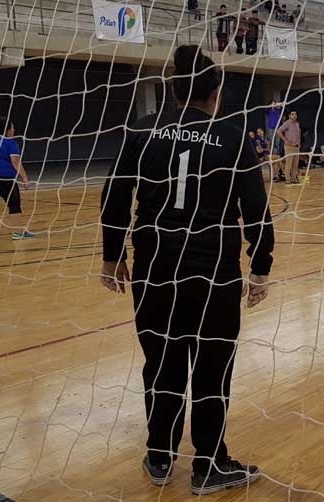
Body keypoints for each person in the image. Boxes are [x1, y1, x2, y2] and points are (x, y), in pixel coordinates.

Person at [100, 45, 273, 495]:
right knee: (213, 371)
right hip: (213, 273)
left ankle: (160, 457)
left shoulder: (141, 130)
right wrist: (260, 267)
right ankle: (209, 465)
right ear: (216, 92)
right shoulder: (233, 137)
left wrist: (110, 254)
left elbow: (115, 195)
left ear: (175, 88)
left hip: (155, 269)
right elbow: (257, 208)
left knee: (161, 366)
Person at [277, 110, 302, 185]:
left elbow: (299, 133)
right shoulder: (287, 123)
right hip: (289, 147)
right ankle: (287, 179)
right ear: (289, 116)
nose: (294, 115)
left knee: (295, 164)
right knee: (289, 164)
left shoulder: (297, 124)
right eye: (292, 114)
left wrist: (299, 142)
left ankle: (293, 178)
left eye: (295, 114)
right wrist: (285, 140)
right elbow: (279, 131)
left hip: (296, 147)